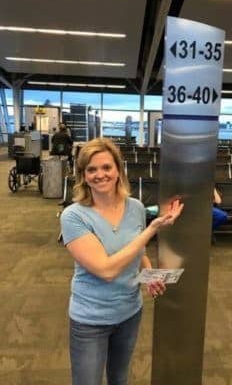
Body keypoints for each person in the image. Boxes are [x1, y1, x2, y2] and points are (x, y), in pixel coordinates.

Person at [60, 137, 184, 385]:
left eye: (107, 167)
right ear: (83, 175)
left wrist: (149, 275)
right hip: (90, 319)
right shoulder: (73, 216)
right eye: (91, 169)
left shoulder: (136, 207)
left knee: (119, 379)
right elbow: (106, 270)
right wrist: (152, 231)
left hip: (129, 312)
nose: (100, 175)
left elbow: (138, 254)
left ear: (118, 171)